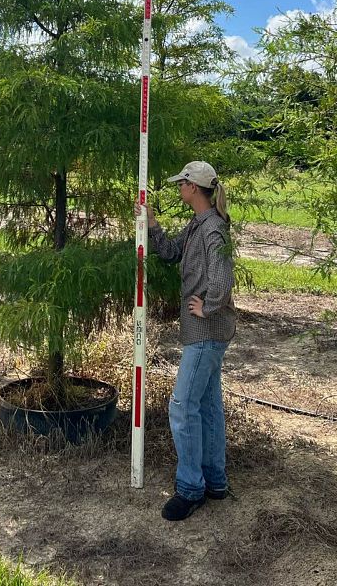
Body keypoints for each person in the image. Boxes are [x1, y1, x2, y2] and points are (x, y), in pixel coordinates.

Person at [134, 160, 235, 522]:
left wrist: (208, 307)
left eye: (182, 184)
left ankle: (190, 488)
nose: (179, 189)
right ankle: (215, 481)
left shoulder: (212, 230)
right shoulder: (199, 224)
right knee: (207, 406)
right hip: (205, 333)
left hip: (206, 333)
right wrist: (152, 226)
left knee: (181, 406)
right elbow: (172, 252)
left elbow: (223, 277)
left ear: (194, 187)